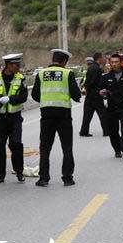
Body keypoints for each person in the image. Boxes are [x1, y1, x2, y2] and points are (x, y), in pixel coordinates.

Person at [32, 48, 81, 187]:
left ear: (53, 59)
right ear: (64, 61)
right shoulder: (67, 73)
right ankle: (67, 178)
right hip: (64, 116)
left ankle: (43, 178)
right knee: (66, 147)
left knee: (45, 148)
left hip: (46, 115)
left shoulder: (41, 74)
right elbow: (76, 95)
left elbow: (35, 95)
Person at [0, 53, 28, 184]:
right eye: (17, 65)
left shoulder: (21, 78)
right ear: (9, 65)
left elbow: (23, 97)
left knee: (16, 144)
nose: (19, 67)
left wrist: (10, 99)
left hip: (15, 118)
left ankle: (19, 171)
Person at [79, 52, 108, 138]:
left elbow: (87, 81)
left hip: (89, 95)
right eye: (102, 57)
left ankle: (83, 131)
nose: (103, 59)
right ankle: (106, 131)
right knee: (102, 114)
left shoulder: (91, 67)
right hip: (96, 95)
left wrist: (87, 90)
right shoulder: (97, 68)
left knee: (87, 115)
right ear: (99, 58)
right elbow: (93, 82)